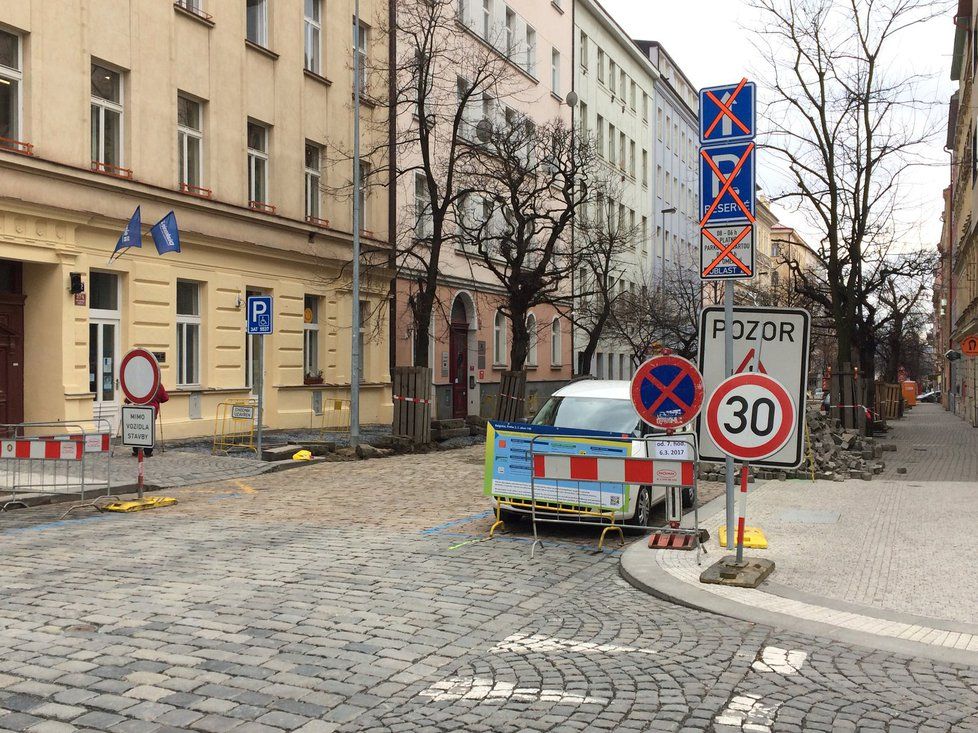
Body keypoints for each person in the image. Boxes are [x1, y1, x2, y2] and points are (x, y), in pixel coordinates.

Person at [130, 382, 169, 457]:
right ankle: (148, 452)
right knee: (149, 431)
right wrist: (158, 399)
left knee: (138, 429)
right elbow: (165, 398)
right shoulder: (158, 385)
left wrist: (127, 400)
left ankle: (136, 450)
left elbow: (132, 395)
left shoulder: (139, 383)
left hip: (139, 411)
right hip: (151, 411)